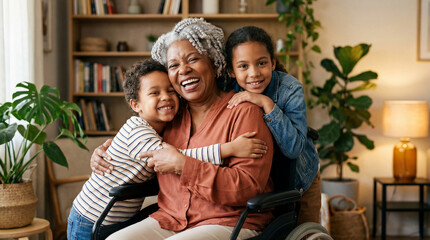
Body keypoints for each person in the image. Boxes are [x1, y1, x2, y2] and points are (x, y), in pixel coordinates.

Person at [90, 18, 275, 240]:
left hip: (230, 219)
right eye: (173, 65)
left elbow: (248, 187)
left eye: (193, 59)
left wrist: (184, 165)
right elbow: (138, 143)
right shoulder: (171, 116)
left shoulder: (244, 112)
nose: (184, 70)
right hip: (172, 218)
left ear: (215, 63)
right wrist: (105, 151)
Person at [224, 25, 321, 224]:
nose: (254, 73)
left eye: (261, 63)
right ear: (231, 71)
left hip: (300, 180)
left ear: (273, 63)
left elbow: (293, 148)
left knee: (306, 233)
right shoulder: (227, 90)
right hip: (264, 183)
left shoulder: (290, 89)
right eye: (243, 66)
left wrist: (265, 103)